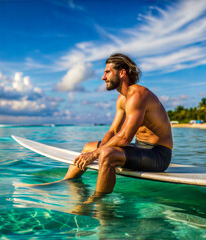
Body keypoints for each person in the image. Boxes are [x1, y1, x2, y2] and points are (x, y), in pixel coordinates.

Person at [64, 53, 173, 196]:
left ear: (122, 73)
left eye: (107, 72)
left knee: (106, 154)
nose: (103, 77)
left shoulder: (139, 95)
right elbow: (114, 131)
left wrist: (95, 155)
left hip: (158, 155)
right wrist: (93, 151)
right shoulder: (122, 98)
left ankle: (99, 202)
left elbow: (124, 138)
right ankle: (66, 182)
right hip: (141, 148)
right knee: (88, 147)